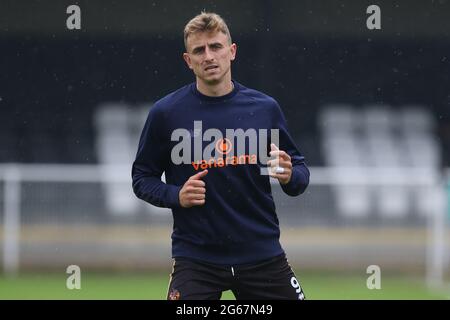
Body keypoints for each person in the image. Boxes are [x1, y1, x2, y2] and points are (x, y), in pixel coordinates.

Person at [132, 11, 310, 300]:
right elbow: (141, 178)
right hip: (196, 259)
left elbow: (299, 175)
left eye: (215, 47)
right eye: (199, 50)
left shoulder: (264, 109)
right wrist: (176, 195)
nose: (209, 56)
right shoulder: (166, 113)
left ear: (232, 51)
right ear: (188, 61)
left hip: (261, 254)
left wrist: (290, 175)